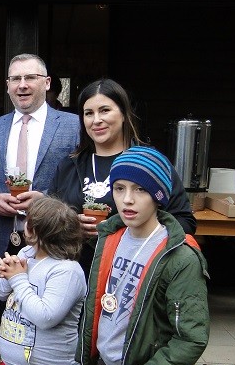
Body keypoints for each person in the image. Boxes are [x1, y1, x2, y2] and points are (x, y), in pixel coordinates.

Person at [74, 146, 210, 365]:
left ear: (159, 195)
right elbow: (97, 309)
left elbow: (191, 338)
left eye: (140, 189)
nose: (127, 199)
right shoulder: (109, 239)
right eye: (119, 188)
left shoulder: (179, 257)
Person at [0, 53, 79, 341]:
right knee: (8, 312)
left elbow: (82, 182)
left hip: (53, 238)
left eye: (30, 77)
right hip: (4, 234)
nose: (22, 85)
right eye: (15, 79)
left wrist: (47, 201)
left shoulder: (73, 126)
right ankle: (9, 355)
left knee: (52, 316)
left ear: (47, 83)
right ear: (7, 85)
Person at [49, 78, 195, 275]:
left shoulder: (150, 162)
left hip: (132, 276)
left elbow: (184, 222)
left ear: (124, 113)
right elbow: (48, 222)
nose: (96, 120)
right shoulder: (68, 165)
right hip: (73, 277)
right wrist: (71, 226)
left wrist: (124, 231)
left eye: (105, 110)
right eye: (89, 113)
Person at [0, 197, 86, 365]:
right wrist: (6, 275)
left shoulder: (67, 271)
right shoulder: (26, 254)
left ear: (35, 230)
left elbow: (46, 317)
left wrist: (18, 279)